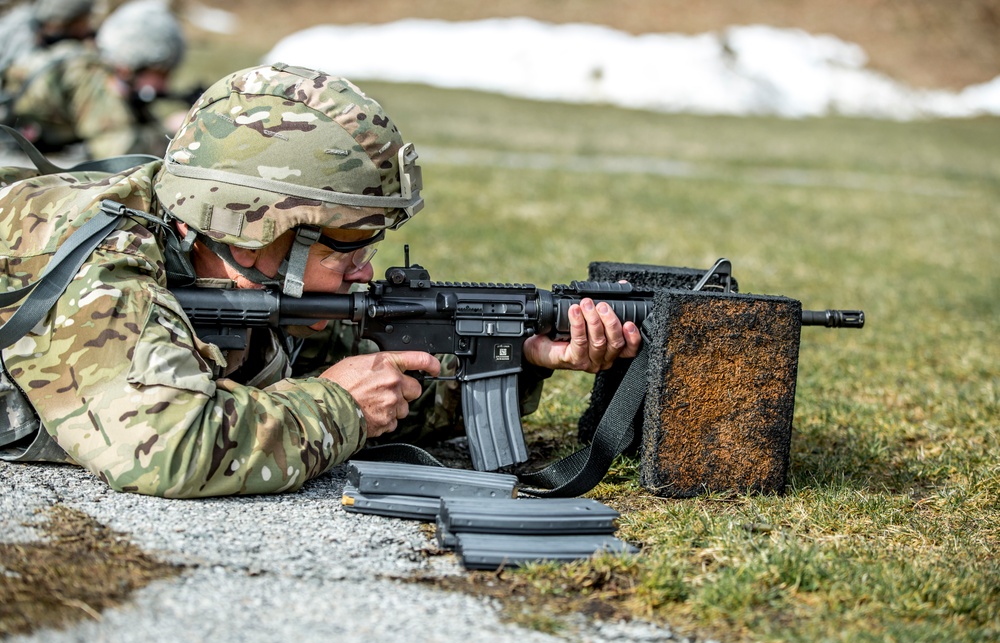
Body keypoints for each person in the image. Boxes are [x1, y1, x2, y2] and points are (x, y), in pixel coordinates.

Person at [0, 63, 642, 498]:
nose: (363, 269)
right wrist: (338, 408)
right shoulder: (101, 264)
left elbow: (374, 384)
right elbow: (166, 447)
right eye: (346, 244)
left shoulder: (228, 271)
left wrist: (512, 356)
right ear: (255, 228)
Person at [0, 0, 185, 159]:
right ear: (128, 67)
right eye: (160, 73)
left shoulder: (96, 66)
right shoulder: (92, 76)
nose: (165, 85)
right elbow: (118, 151)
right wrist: (170, 131)